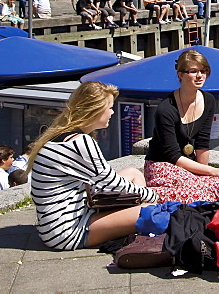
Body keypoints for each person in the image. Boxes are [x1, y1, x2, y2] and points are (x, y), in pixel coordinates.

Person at [28, 81, 157, 250]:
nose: (112, 112)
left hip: (52, 228)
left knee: (133, 172)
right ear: (95, 109)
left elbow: (102, 181)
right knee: (152, 210)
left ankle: (133, 217)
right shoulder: (81, 142)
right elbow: (110, 182)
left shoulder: (61, 136)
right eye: (110, 107)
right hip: (68, 232)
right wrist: (153, 195)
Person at [142, 50, 219, 203]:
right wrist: (212, 171)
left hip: (190, 165)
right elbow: (173, 155)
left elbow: (202, 142)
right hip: (162, 166)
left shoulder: (208, 100)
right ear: (180, 75)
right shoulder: (166, 109)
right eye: (193, 71)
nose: (200, 76)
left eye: (203, 71)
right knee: (209, 190)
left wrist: (205, 174)